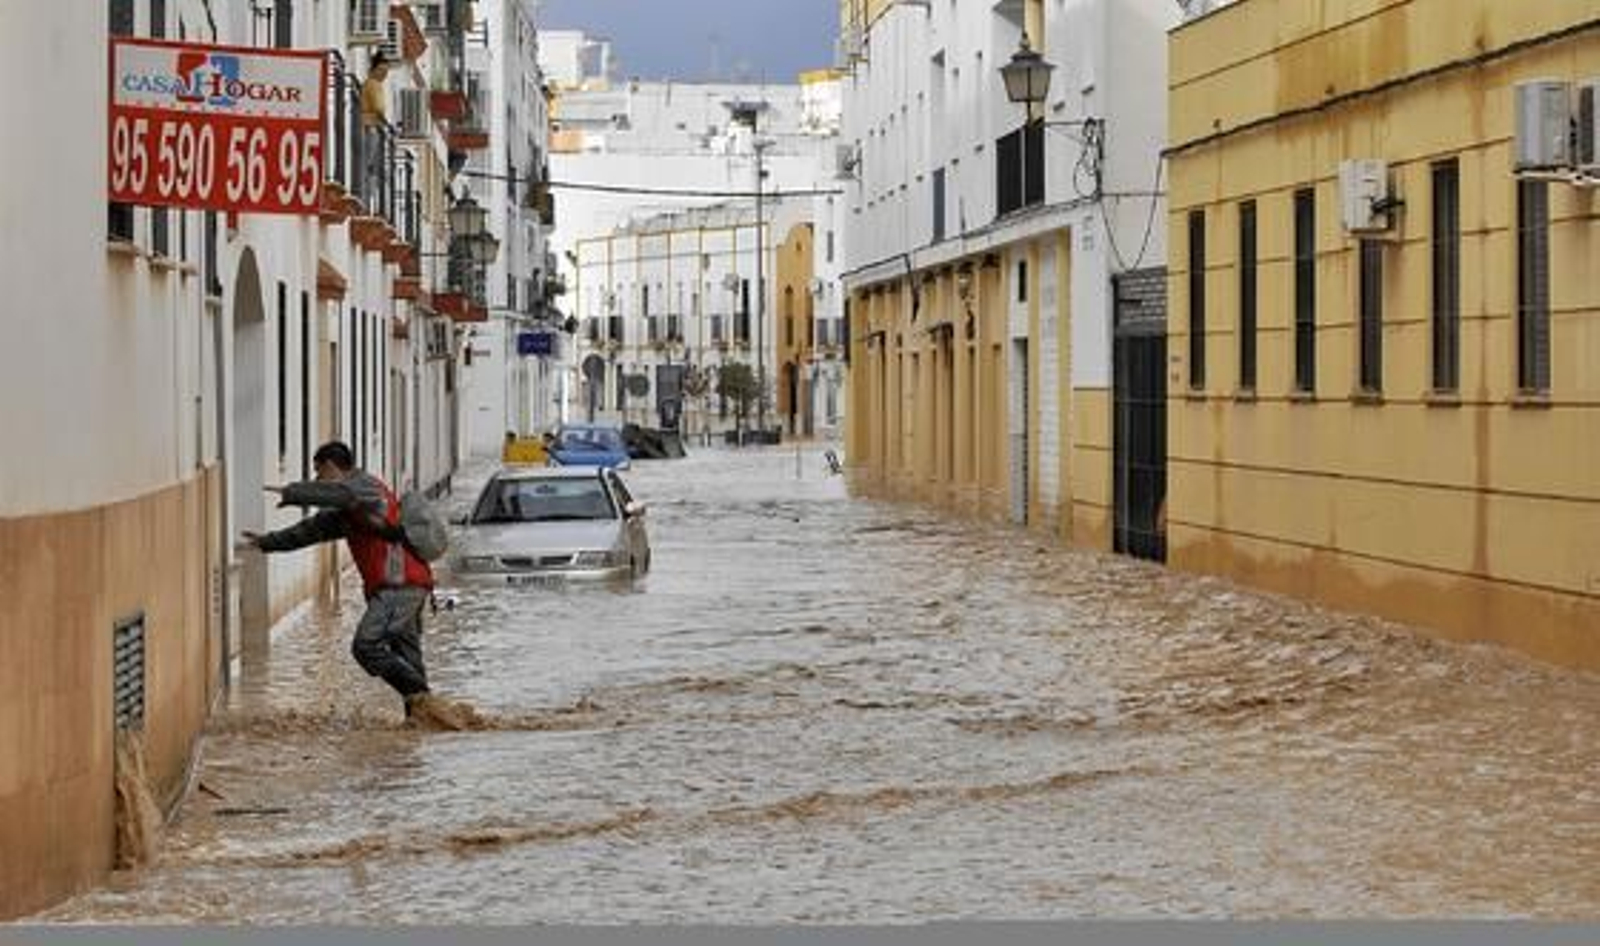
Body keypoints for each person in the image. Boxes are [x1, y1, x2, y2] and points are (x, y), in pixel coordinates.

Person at [241, 441, 436, 718]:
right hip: (403, 586)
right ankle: (424, 723)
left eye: (319, 473)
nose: (318, 479)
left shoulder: (367, 488)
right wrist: (266, 543)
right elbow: (312, 530)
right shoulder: (350, 511)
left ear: (331, 467)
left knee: (366, 646)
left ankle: (423, 698)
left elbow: (340, 494)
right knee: (407, 657)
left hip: (399, 585)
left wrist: (294, 492)